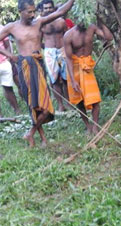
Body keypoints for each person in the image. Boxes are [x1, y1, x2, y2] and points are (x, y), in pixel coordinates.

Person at [0, 0, 75, 147]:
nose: (32, 14)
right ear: (20, 11)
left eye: (34, 11)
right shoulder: (12, 27)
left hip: (38, 64)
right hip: (25, 65)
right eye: (29, 12)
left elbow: (59, 12)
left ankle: (31, 132)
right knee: (33, 104)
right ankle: (42, 139)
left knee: (46, 105)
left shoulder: (38, 22)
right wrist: (10, 56)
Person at [64, 20, 113, 135]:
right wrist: (72, 80)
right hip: (75, 68)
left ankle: (95, 126)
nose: (82, 22)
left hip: (87, 67)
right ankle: (88, 126)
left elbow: (109, 37)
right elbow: (69, 59)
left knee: (95, 98)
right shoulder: (69, 35)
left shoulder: (92, 28)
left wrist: (102, 21)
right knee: (79, 100)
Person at [41, 0, 68, 112]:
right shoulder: (40, 23)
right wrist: (47, 48)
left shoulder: (61, 21)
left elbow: (66, 35)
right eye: (45, 8)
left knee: (66, 78)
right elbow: (37, 40)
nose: (48, 10)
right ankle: (60, 105)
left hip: (62, 51)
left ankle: (69, 102)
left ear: (53, 8)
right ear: (42, 10)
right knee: (54, 79)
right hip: (49, 52)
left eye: (49, 8)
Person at [0, 25, 20, 116]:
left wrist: (8, 57)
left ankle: (17, 111)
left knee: (8, 88)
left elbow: (7, 45)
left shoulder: (1, 28)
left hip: (4, 63)